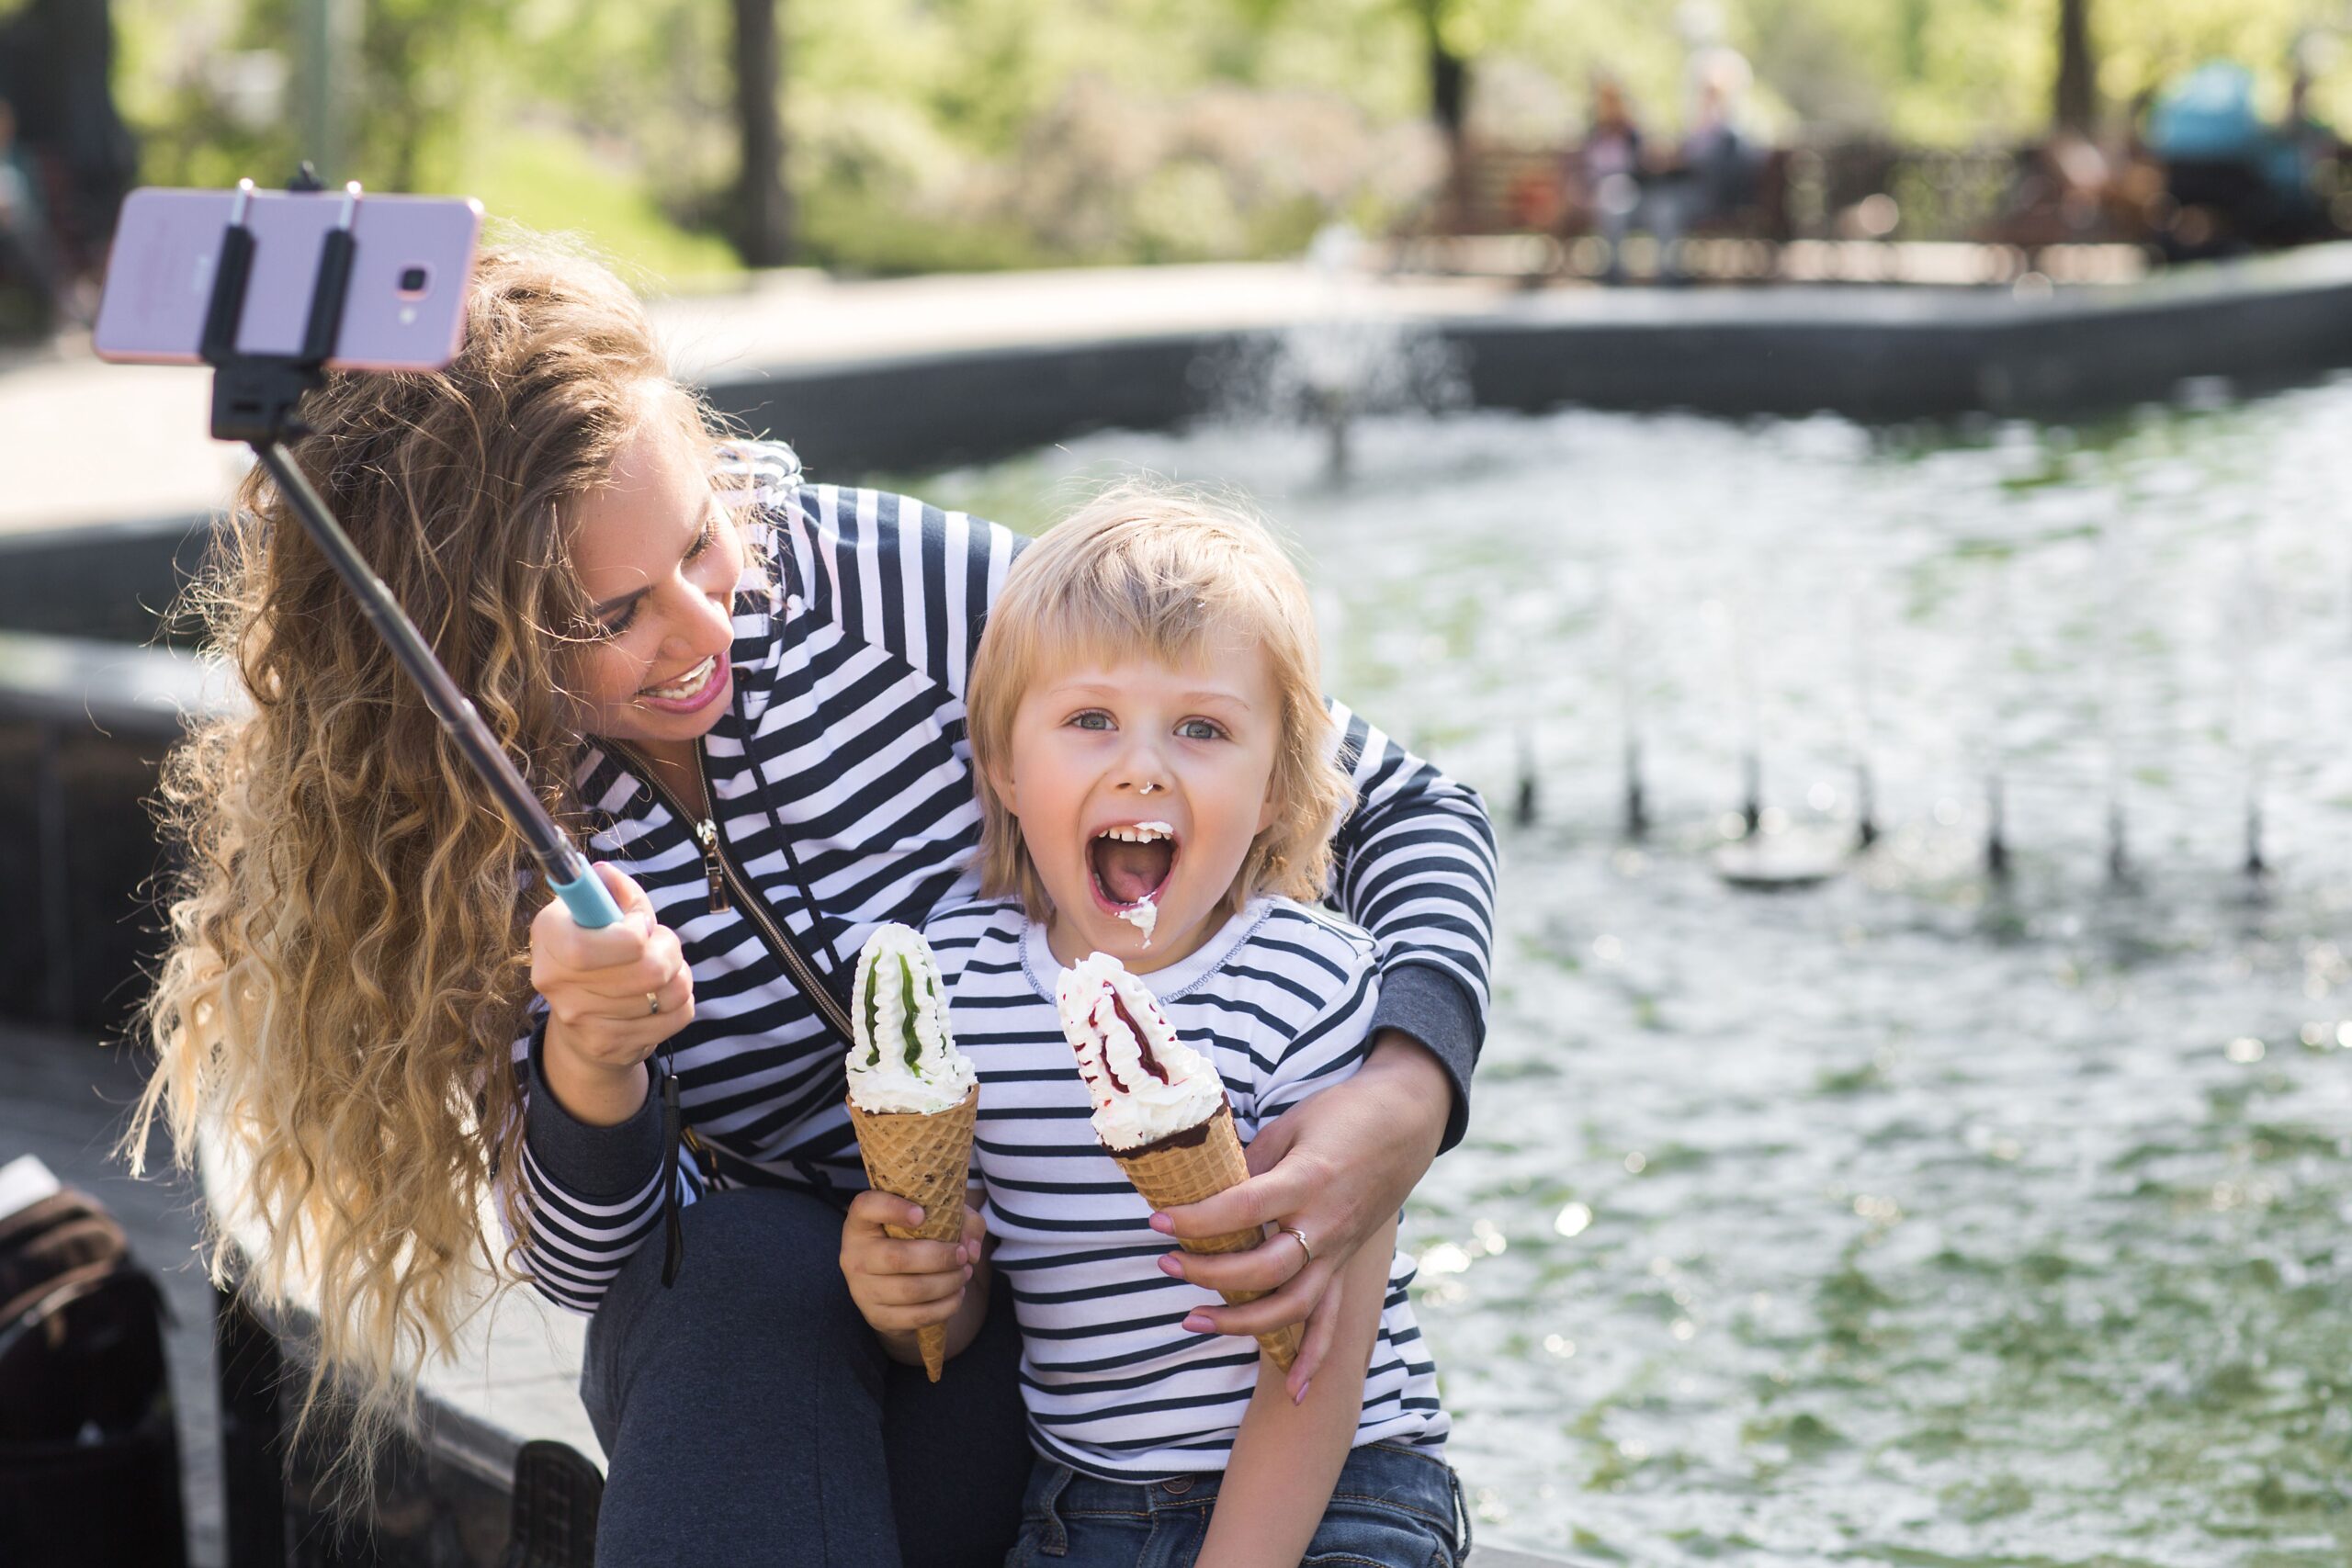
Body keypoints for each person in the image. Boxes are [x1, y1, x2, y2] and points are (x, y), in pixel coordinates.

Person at [130, 243, 1497, 1563]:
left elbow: (1399, 802)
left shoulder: (891, 592)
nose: (707, 624)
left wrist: (1406, 1089)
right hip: (805, 1362)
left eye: (703, 538)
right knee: (733, 1263)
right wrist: (590, 1062)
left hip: (1103, 1365)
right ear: (467, 646)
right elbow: (593, 1262)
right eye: (610, 617)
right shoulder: (462, 813)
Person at [842, 484, 1462, 1566]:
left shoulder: (1314, 982)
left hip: (1341, 1487)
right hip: (1077, 1504)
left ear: (1276, 787)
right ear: (1002, 764)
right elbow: (977, 1287)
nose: (1142, 765)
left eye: (1203, 729)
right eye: (1090, 721)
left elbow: (1319, 1360)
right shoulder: (959, 983)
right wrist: (911, 1296)